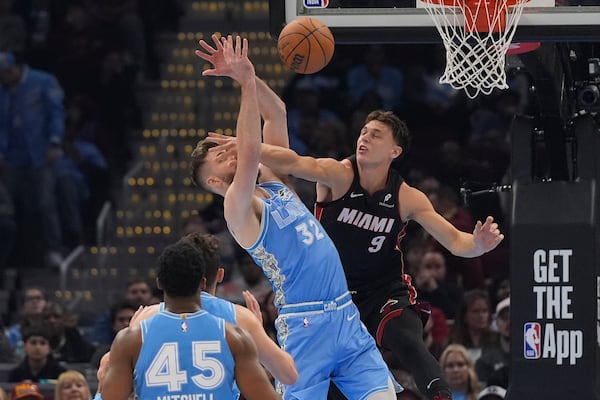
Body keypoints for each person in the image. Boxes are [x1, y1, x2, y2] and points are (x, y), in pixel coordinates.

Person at [208, 111, 504, 399]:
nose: (365, 138)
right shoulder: (339, 175)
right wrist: (250, 148)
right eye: (364, 132)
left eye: (376, 135)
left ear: (395, 150)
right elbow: (295, 161)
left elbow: (455, 240)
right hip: (333, 295)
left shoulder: (406, 196)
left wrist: (479, 244)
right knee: (336, 386)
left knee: (405, 336)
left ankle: (441, 395)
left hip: (382, 290)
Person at [191, 34, 396, 400]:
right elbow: (252, 148)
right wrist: (245, 86)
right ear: (212, 180)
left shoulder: (273, 180)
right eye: (221, 156)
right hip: (305, 324)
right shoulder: (237, 207)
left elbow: (277, 113)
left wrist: (248, 78)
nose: (232, 152)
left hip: (345, 314)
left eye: (228, 146)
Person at [101, 241, 281, 400]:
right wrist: (256, 338)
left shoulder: (131, 338)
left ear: (159, 283)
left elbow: (110, 396)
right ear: (202, 283)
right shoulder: (235, 335)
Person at [0, 51, 66, 268]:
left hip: (40, 155)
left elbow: (56, 112)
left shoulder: (43, 81)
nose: (5, 76)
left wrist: (55, 143)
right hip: (12, 158)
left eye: (7, 72)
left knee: (45, 203)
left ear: (17, 68)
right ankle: (15, 256)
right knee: (10, 208)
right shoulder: (3, 90)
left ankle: (54, 249)